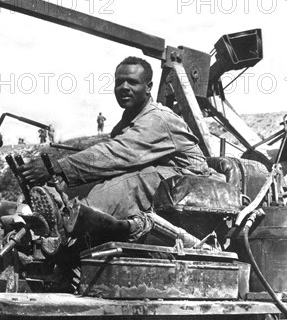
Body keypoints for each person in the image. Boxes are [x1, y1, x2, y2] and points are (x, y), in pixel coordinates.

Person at [19, 56, 209, 220]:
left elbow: (116, 153)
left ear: (149, 87)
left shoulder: (157, 119)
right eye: (119, 82)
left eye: (132, 82)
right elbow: (108, 163)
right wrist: (60, 182)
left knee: (135, 181)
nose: (124, 87)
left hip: (189, 181)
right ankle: (51, 214)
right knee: (75, 188)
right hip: (164, 178)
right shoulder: (125, 124)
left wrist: (57, 167)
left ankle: (72, 220)